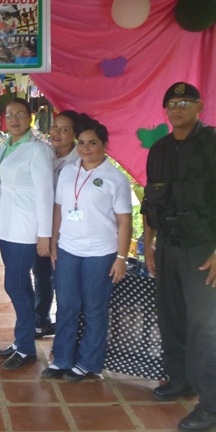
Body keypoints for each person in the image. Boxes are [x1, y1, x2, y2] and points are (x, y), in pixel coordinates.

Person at [141, 82, 216, 432]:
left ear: (199, 107)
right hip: (168, 247)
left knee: (205, 327)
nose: (177, 109)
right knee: (171, 317)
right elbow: (150, 200)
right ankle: (180, 379)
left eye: (184, 103)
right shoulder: (160, 149)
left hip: (203, 250)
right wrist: (149, 244)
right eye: (171, 103)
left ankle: (212, 405)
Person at [43, 115, 132, 382]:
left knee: (94, 308)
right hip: (68, 249)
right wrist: (54, 241)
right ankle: (62, 359)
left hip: (100, 252)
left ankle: (89, 363)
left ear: (104, 145)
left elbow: (125, 221)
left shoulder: (115, 178)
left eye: (92, 143)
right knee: (67, 305)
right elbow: (58, 208)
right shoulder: (68, 171)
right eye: (81, 142)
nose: (85, 148)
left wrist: (121, 257)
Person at [0, 98, 54, 370]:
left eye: (20, 114)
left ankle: (26, 347)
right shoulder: (6, 145)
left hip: (25, 228)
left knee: (15, 285)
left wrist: (44, 235)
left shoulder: (38, 149)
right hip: (7, 226)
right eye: (9, 115)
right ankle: (21, 340)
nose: (14, 119)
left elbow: (45, 194)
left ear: (30, 117)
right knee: (21, 285)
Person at [32, 110, 81, 339]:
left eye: (64, 129)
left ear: (74, 134)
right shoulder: (45, 153)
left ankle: (66, 334)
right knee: (41, 276)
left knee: (64, 283)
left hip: (66, 233)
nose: (57, 132)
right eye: (55, 127)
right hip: (42, 228)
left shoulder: (80, 161)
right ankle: (40, 321)